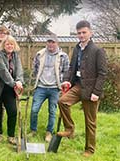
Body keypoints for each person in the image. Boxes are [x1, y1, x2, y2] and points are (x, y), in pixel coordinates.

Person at [57, 20, 107, 157]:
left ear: (90, 33)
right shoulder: (77, 48)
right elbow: (71, 68)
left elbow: (102, 73)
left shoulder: (98, 51)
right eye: (79, 33)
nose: (81, 35)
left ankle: (89, 150)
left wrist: (96, 92)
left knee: (90, 122)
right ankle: (69, 128)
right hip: (78, 86)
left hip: (91, 90)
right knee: (62, 101)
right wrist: (67, 80)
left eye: (84, 32)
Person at [29, 35, 69, 142]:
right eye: (49, 42)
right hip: (41, 87)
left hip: (55, 88)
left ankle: (49, 132)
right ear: (46, 43)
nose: (51, 44)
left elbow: (66, 71)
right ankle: (33, 130)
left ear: (57, 43)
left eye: (53, 42)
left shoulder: (63, 56)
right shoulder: (40, 54)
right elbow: (35, 69)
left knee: (52, 111)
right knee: (34, 110)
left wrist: (63, 83)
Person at [0, 35, 24, 145]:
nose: (10, 46)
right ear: (3, 45)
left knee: (12, 111)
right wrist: (14, 84)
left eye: (12, 44)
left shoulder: (15, 55)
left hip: (9, 89)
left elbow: (19, 69)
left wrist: (19, 81)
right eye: (7, 44)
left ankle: (11, 136)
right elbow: (3, 72)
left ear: (14, 45)